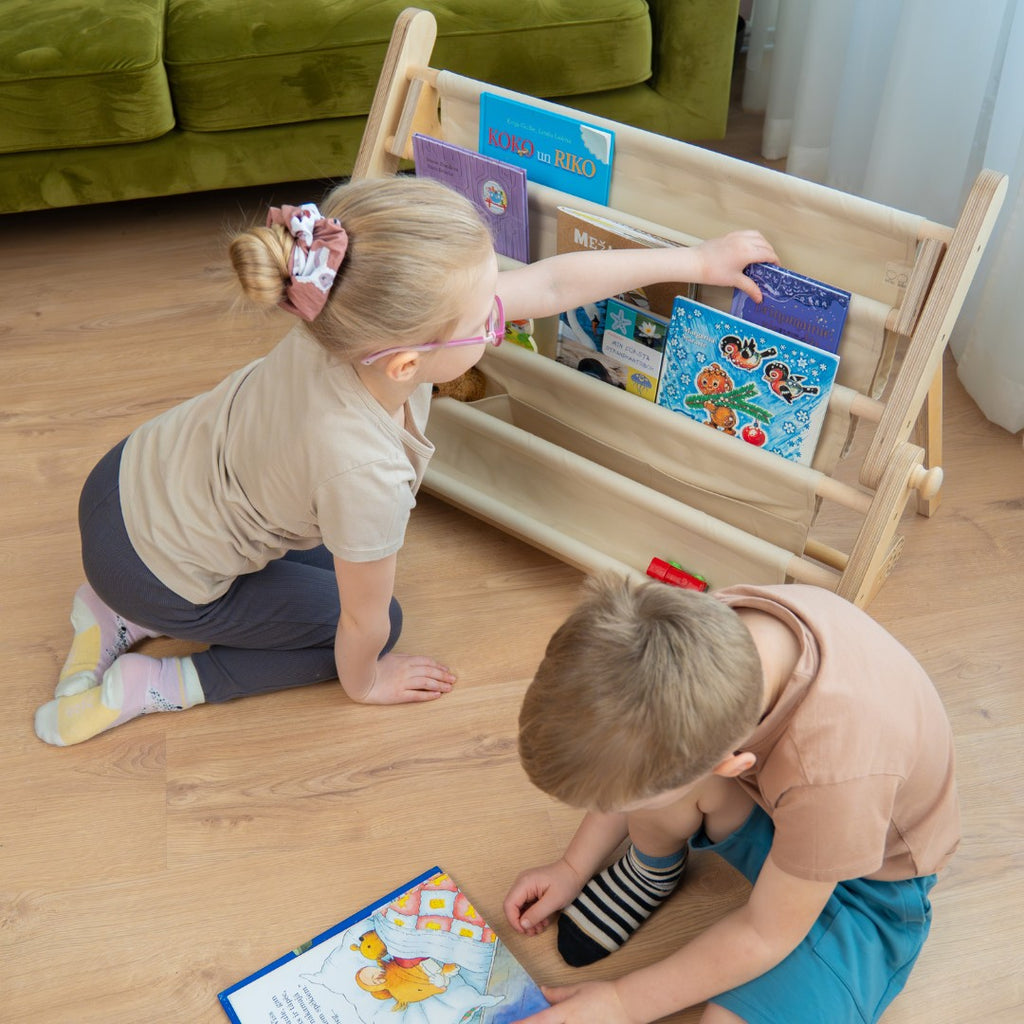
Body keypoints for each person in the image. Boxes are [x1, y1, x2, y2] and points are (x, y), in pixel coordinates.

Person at [34, 175, 777, 747]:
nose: (503, 310)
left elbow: (550, 284)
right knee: (379, 621)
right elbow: (359, 620)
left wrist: (699, 260)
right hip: (157, 570)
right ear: (406, 365)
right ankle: (162, 678)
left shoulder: (338, 319)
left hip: (126, 477)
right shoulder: (366, 468)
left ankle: (110, 609)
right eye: (487, 312)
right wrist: (365, 683)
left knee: (336, 567)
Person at [504, 573, 959, 1024]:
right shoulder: (697, 634)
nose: (607, 816)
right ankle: (650, 870)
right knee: (655, 785)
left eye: (618, 805)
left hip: (872, 893)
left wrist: (625, 1001)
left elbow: (765, 933)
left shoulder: (832, 774)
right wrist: (572, 866)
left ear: (732, 765)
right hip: (793, 813)